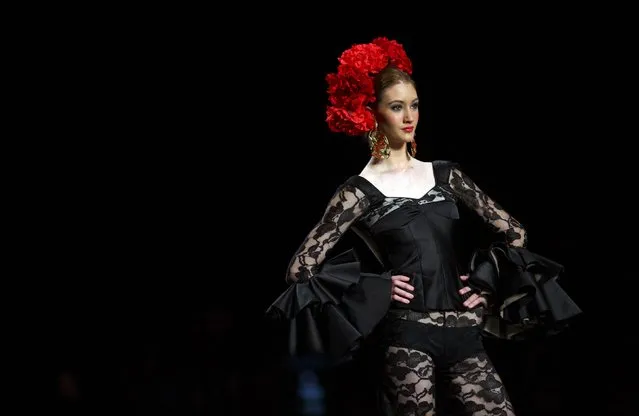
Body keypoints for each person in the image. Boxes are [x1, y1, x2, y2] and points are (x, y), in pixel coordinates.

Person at [267, 37, 581, 416]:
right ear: (373, 113)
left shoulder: (446, 175)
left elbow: (514, 232)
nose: (409, 116)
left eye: (414, 105)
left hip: (465, 329)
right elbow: (300, 270)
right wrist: (374, 285)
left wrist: (483, 283)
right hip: (407, 335)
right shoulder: (358, 191)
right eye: (397, 107)